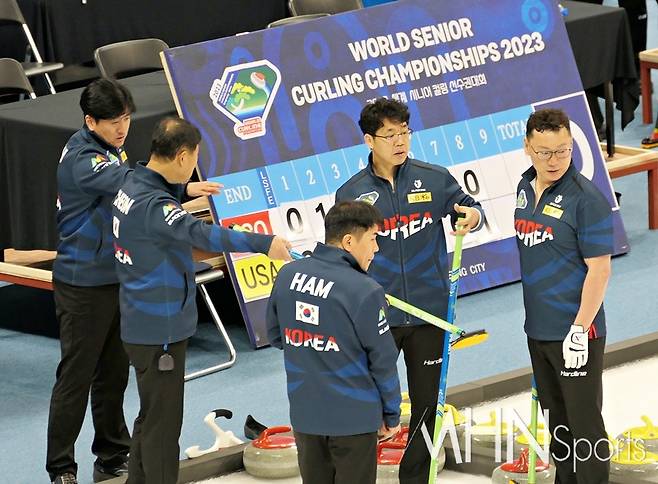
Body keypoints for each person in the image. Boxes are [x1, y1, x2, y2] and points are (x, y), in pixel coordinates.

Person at [48, 79, 220, 484]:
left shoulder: (112, 149)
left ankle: (110, 453)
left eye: (126, 118)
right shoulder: (82, 158)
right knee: (77, 374)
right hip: (83, 283)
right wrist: (182, 185)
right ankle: (61, 467)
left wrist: (177, 186)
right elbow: (128, 182)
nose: (122, 128)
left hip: (117, 278)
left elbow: (131, 177)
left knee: (113, 373)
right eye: (112, 122)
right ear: (90, 121)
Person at [112, 116, 291, 484]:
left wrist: (184, 192)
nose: (194, 168)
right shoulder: (156, 208)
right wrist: (264, 244)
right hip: (159, 327)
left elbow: (159, 209)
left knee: (150, 415)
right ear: (181, 157)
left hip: (137, 318)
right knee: (163, 428)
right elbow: (204, 235)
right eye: (194, 159)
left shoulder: (132, 181)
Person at [335, 98, 483, 484]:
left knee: (427, 405)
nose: (400, 141)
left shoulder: (434, 178)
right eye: (390, 135)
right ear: (369, 140)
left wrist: (473, 215)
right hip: (375, 317)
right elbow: (342, 256)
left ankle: (415, 478)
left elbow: (469, 208)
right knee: (368, 404)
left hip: (429, 313)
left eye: (405, 132)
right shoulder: (351, 194)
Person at [266, 200, 402, 484]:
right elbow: (384, 361)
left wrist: (313, 345)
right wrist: (391, 413)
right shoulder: (365, 290)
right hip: (354, 420)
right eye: (373, 239)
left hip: (305, 415)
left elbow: (277, 336)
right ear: (350, 241)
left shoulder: (288, 274)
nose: (376, 249)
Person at [515, 108, 613, 483]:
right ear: (527, 147)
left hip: (575, 332)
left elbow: (600, 269)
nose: (553, 160)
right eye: (544, 152)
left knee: (584, 425)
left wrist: (579, 327)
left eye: (562, 151)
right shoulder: (525, 188)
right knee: (557, 421)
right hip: (537, 329)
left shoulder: (586, 199)